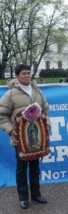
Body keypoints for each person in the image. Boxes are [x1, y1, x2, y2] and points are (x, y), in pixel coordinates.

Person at [0, 64, 50, 209]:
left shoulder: (38, 92)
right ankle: (23, 197)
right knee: (22, 168)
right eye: (24, 73)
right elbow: (1, 115)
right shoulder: (10, 95)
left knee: (35, 167)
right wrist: (11, 131)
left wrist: (47, 125)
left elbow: (46, 110)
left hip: (37, 139)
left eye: (29, 73)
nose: (27, 75)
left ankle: (36, 194)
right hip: (20, 140)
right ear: (17, 76)